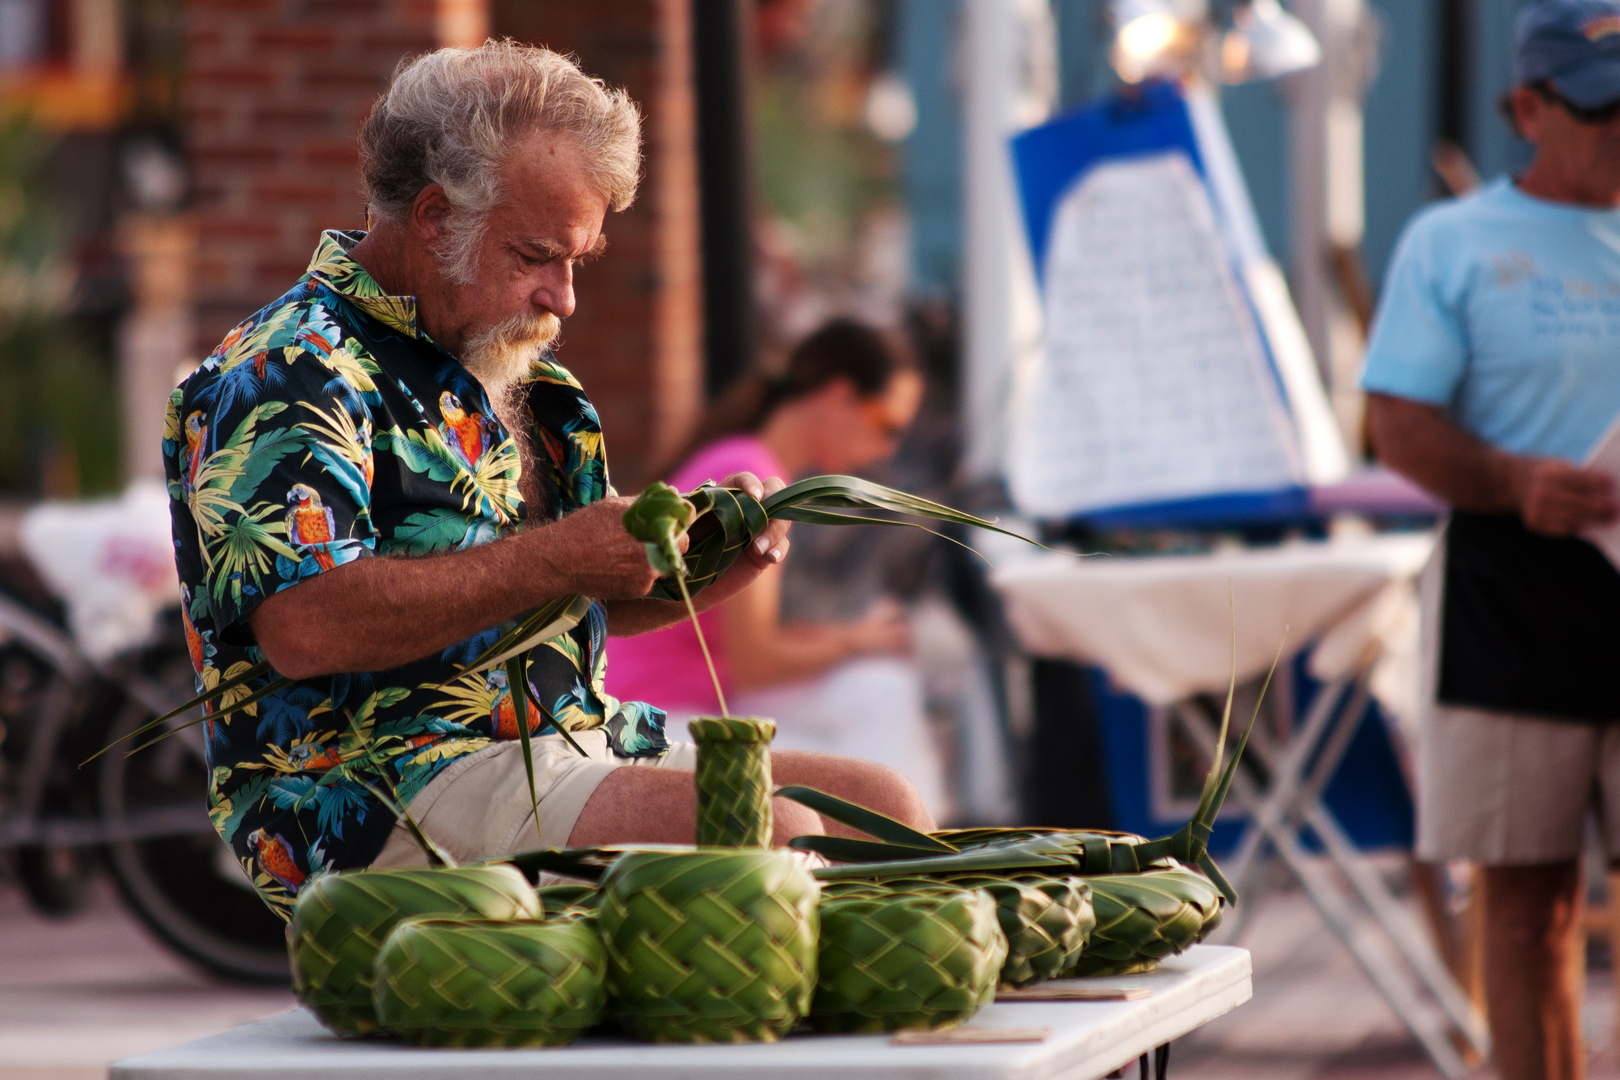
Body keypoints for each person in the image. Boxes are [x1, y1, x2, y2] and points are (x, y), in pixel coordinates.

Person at [164, 42, 933, 918]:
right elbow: (306, 627)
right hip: (376, 794)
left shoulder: (524, 379)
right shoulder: (287, 369)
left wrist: (715, 570)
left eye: (580, 260)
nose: (564, 298)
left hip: (571, 747)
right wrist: (562, 558)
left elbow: (572, 603)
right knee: (773, 830)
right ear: (431, 216)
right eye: (537, 255)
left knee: (886, 812)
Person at [1360, 4, 1620, 1077]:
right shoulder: (1453, 241)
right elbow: (1398, 423)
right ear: (1527, 108)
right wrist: (1516, 481)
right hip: (1516, 586)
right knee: (1523, 907)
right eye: (1604, 109)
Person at [605, 320, 947, 813]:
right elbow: (756, 663)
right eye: (887, 425)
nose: (889, 448)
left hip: (676, 703)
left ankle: (891, 846)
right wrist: (859, 641)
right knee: (883, 692)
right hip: (661, 716)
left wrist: (841, 639)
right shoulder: (755, 478)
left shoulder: (745, 459)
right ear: (839, 395)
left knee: (876, 694)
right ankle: (891, 856)